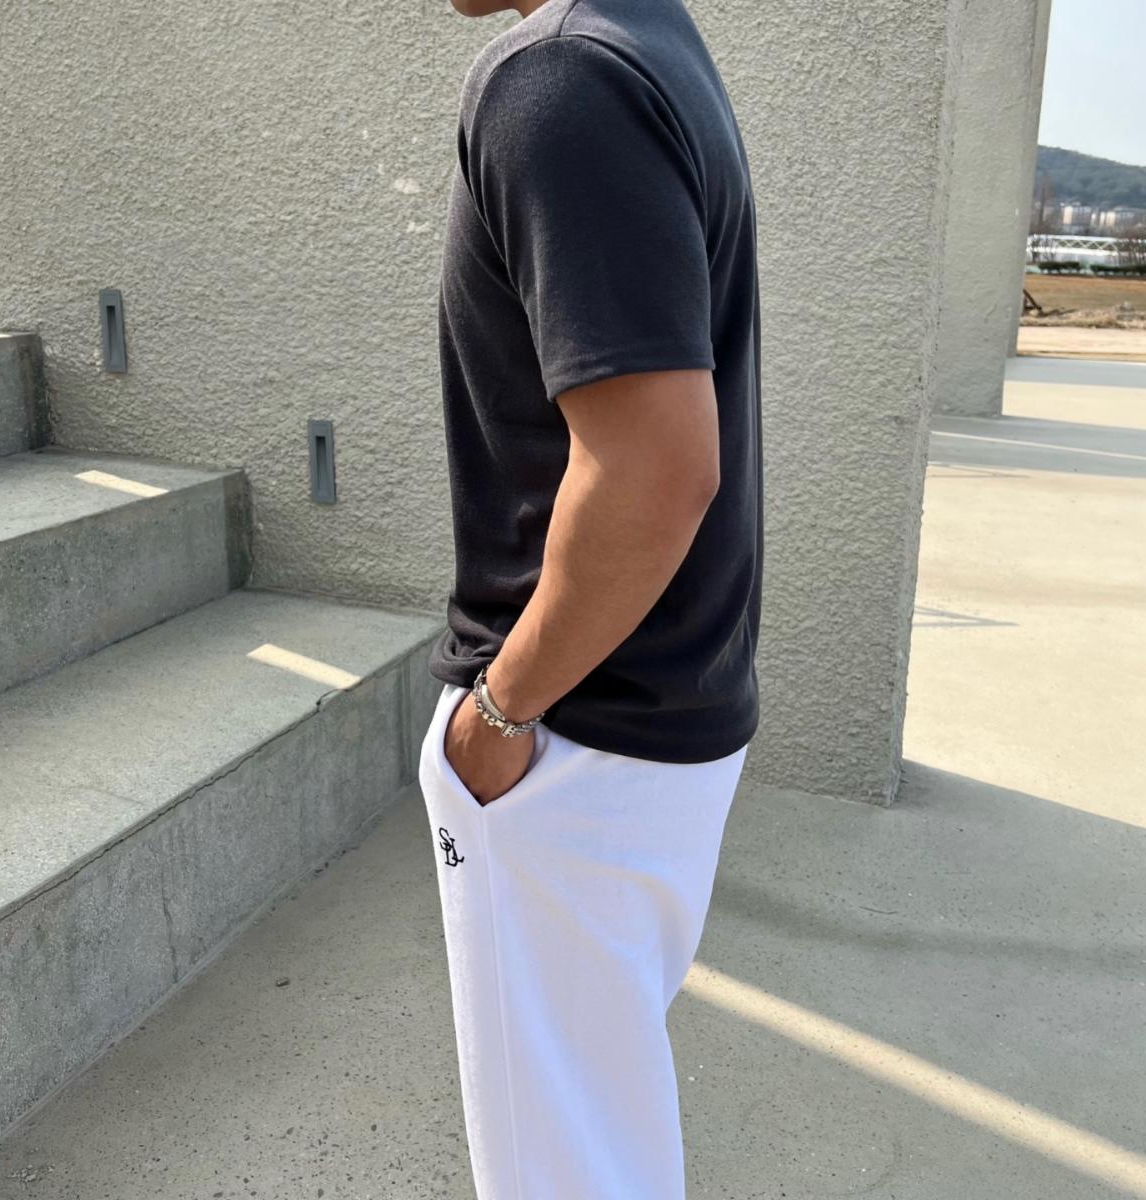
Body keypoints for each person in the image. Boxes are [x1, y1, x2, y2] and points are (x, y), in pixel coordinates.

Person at [418, 0, 762, 1194]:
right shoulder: (647, 45)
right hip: (643, 724)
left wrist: (497, 716)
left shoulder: (559, 78)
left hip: (568, 737)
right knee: (601, 1140)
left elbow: (654, 468)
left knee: (563, 1167)